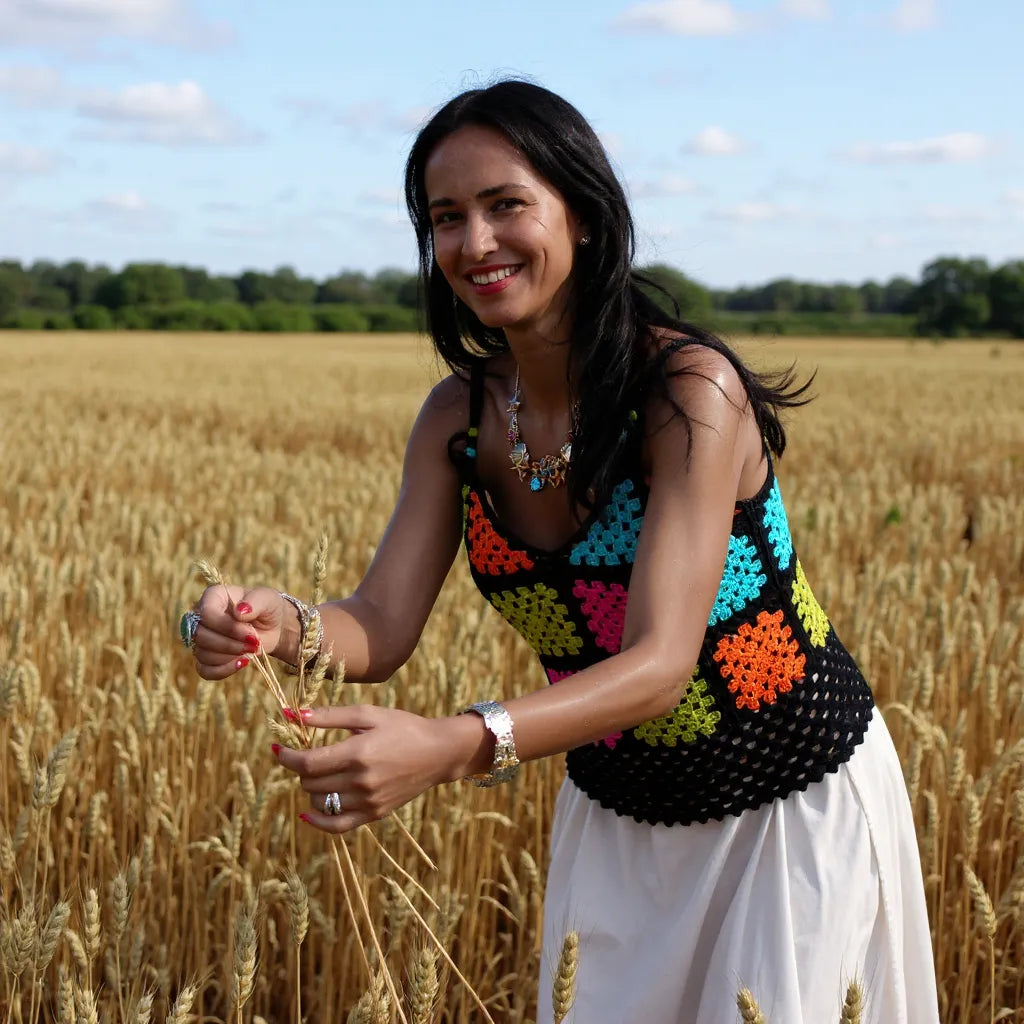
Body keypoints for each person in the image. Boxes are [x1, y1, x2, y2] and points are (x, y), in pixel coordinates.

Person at [185, 80, 939, 1023]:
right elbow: (378, 625)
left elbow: (662, 665)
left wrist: (457, 746)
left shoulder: (687, 393)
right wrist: (270, 621)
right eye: (446, 217)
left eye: (507, 204)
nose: (475, 243)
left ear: (581, 213)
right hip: (619, 816)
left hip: (785, 808)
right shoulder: (456, 421)